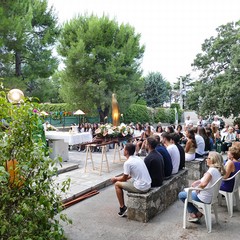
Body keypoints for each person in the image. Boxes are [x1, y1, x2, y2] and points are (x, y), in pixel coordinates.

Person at [178, 151, 225, 222]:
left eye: (208, 158)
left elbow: (204, 184)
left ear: (212, 160)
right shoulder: (217, 170)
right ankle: (196, 213)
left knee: (181, 195)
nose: (206, 159)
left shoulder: (211, 170)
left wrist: (197, 188)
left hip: (204, 197)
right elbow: (205, 180)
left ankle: (195, 213)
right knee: (187, 193)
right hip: (210, 196)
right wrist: (198, 182)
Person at [111, 143, 151, 217]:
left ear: (127, 152)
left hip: (142, 187)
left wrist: (115, 178)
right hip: (148, 184)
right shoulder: (137, 158)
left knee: (117, 184)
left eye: (124, 149)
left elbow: (124, 178)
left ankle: (122, 208)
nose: (123, 150)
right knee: (126, 182)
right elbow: (129, 176)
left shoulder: (127, 163)